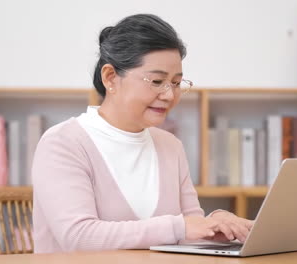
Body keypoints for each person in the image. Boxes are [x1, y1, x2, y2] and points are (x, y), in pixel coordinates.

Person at [32, 14, 253, 253]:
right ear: (110, 77)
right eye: (157, 81)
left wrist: (218, 226)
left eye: (177, 83)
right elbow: (79, 237)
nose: (169, 95)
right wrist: (179, 227)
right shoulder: (63, 143)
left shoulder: (170, 145)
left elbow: (190, 233)